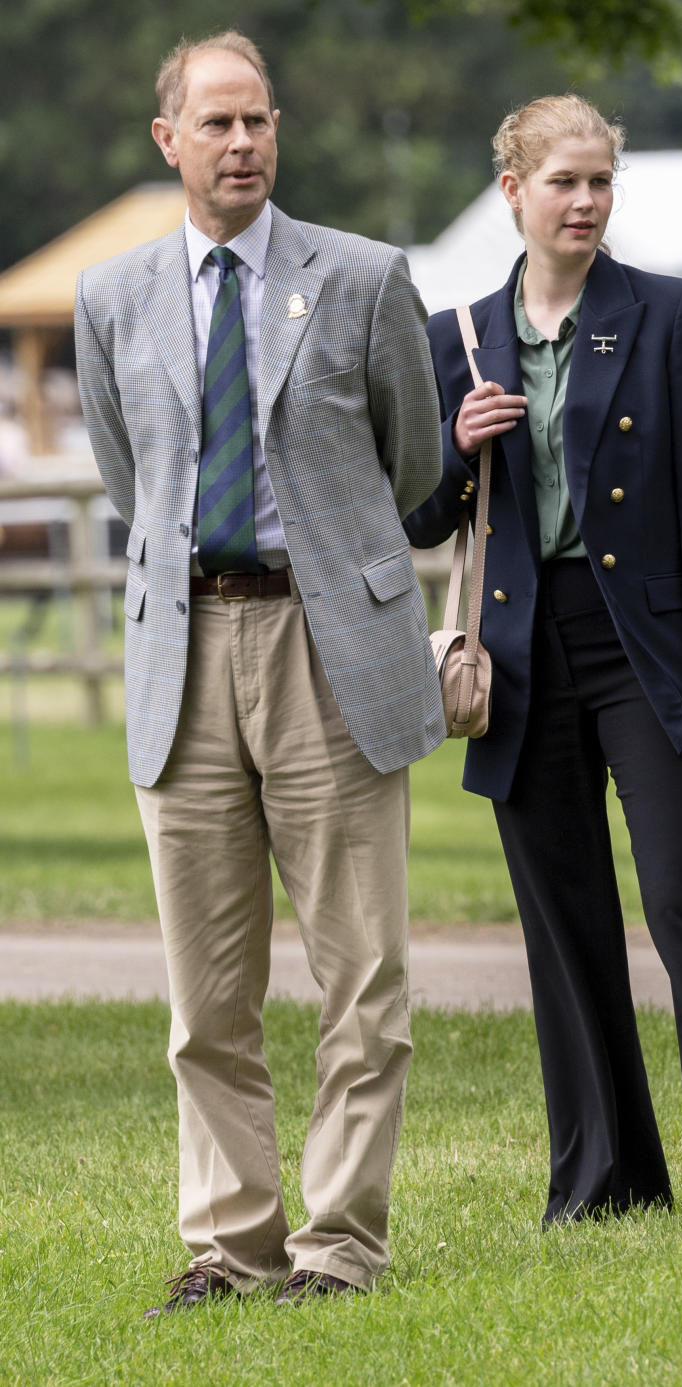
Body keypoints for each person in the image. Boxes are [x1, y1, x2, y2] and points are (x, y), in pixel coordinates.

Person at [74, 31, 445, 1315]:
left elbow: (411, 470)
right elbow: (137, 485)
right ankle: (231, 1244)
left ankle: (339, 1241)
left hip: (328, 647)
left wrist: (334, 567)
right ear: (167, 139)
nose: (242, 145)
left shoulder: (363, 277)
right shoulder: (111, 297)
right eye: (215, 124)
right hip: (183, 651)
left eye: (258, 122)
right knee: (206, 992)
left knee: (363, 973)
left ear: (277, 132)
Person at [404, 96, 682, 1223]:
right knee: (563, 916)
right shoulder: (462, 338)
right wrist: (455, 445)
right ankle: (606, 1178)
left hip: (645, 649)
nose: (585, 202)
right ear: (513, 194)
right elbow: (426, 519)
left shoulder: (666, 314)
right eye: (564, 184)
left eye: (600, 183)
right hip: (522, 654)